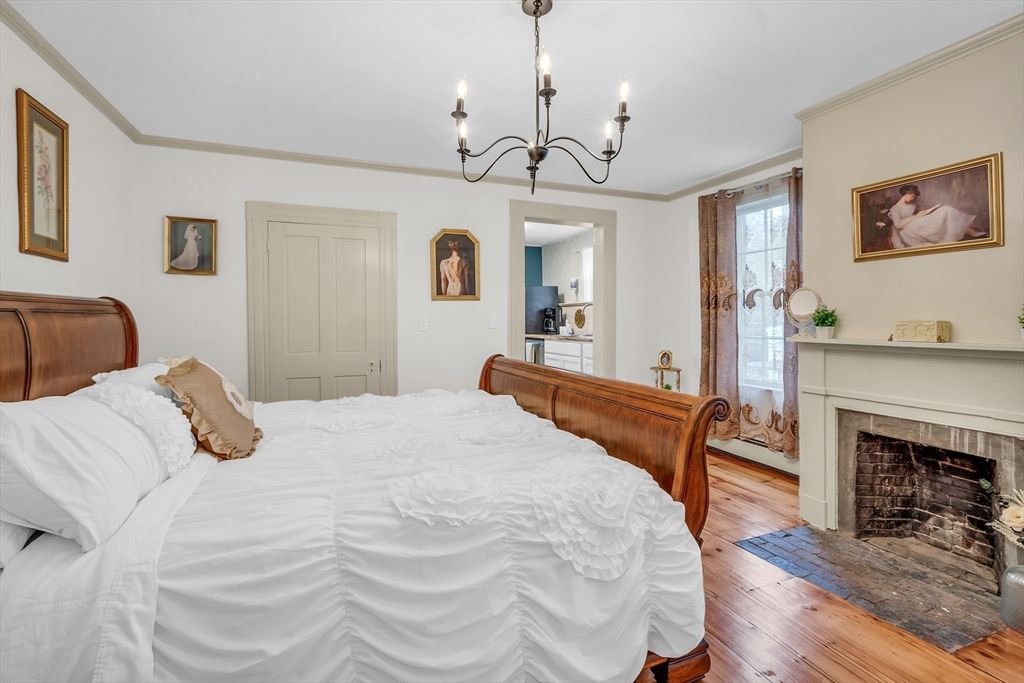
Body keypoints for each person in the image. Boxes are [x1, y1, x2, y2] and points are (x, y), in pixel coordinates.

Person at [878, 184, 982, 249]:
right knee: (943, 215)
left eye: (914, 196)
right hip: (909, 230)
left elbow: (919, 214)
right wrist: (917, 216)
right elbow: (898, 225)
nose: (913, 198)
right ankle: (968, 231)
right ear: (906, 193)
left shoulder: (912, 205)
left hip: (917, 222)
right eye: (912, 195)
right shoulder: (895, 208)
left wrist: (931, 210)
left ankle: (970, 231)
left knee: (946, 209)